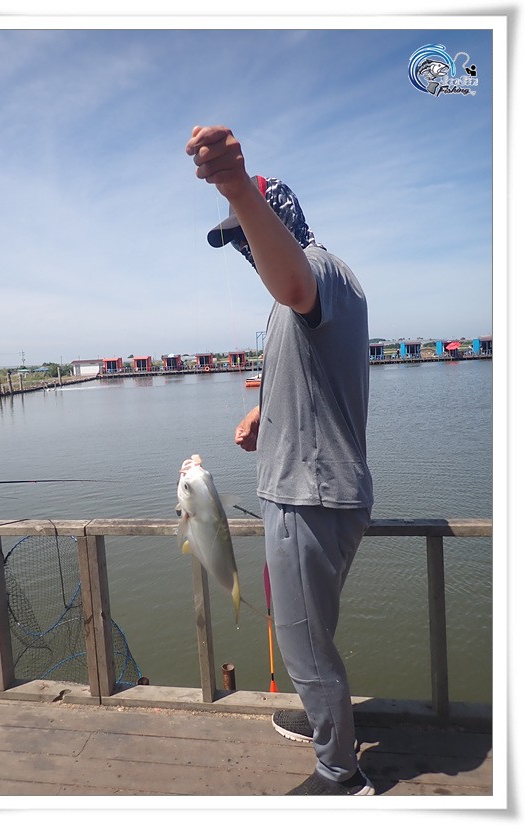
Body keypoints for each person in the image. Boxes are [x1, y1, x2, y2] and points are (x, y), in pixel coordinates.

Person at [185, 125, 375, 796]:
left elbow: (295, 283)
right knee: (307, 634)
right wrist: (264, 414)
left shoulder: (314, 271)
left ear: (278, 220)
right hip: (312, 492)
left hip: (307, 497)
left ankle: (340, 773)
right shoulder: (316, 292)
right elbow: (317, 372)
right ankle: (327, 723)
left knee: (306, 645)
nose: (243, 247)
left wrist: (237, 187)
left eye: (247, 232)